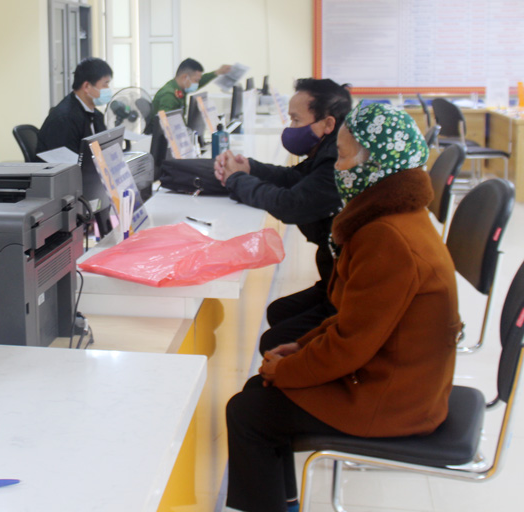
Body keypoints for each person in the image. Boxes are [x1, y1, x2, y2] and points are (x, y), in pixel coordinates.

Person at [224, 103, 462, 512]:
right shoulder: (394, 214)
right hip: (396, 376)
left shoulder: (387, 237)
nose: (337, 166)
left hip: (397, 398)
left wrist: (287, 369)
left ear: (376, 164)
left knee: (249, 412)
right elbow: (350, 318)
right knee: (258, 394)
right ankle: (283, 501)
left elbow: (351, 343)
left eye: (345, 156)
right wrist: (299, 349)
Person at [213, 78, 351, 355]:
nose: (290, 127)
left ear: (328, 123)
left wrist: (237, 179)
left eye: (296, 119)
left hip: (347, 287)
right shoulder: (330, 147)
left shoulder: (337, 160)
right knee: (279, 311)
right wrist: (249, 168)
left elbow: (290, 204)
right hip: (336, 275)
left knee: (274, 339)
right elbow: (295, 178)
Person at [36, 57, 113, 155]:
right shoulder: (65, 119)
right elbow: (67, 160)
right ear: (86, 86)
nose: (108, 89)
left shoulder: (96, 115)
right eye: (105, 84)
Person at [146, 58, 232, 133]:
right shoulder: (169, 95)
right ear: (185, 77)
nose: (197, 84)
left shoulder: (179, 88)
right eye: (196, 80)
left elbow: (201, 81)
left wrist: (217, 72)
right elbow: (166, 125)